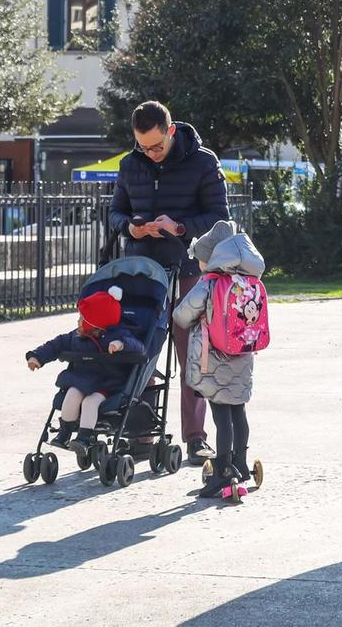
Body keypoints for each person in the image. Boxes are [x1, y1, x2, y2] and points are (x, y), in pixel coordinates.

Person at [109, 101, 229, 464]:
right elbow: (116, 211)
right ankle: (142, 432)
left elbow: (219, 217)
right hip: (142, 271)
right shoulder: (131, 164)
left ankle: (195, 437)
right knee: (137, 348)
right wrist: (130, 226)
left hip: (188, 267)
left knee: (193, 351)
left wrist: (178, 227)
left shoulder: (204, 162)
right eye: (143, 147)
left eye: (156, 146)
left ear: (171, 131)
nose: (151, 154)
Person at [172, 221, 264, 499]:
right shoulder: (249, 281)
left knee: (221, 416)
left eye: (200, 258)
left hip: (214, 360)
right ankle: (240, 464)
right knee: (239, 412)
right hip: (243, 357)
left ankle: (222, 472)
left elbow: (182, 315)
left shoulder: (209, 283)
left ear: (212, 257)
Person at [26, 287, 145, 454]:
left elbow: (138, 347)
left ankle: (84, 437)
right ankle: (65, 431)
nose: (78, 322)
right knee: (72, 394)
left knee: (90, 403)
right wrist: (37, 357)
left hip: (107, 384)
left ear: (95, 322)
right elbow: (56, 344)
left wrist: (121, 344)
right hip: (82, 380)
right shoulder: (77, 336)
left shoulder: (117, 335)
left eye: (82, 318)